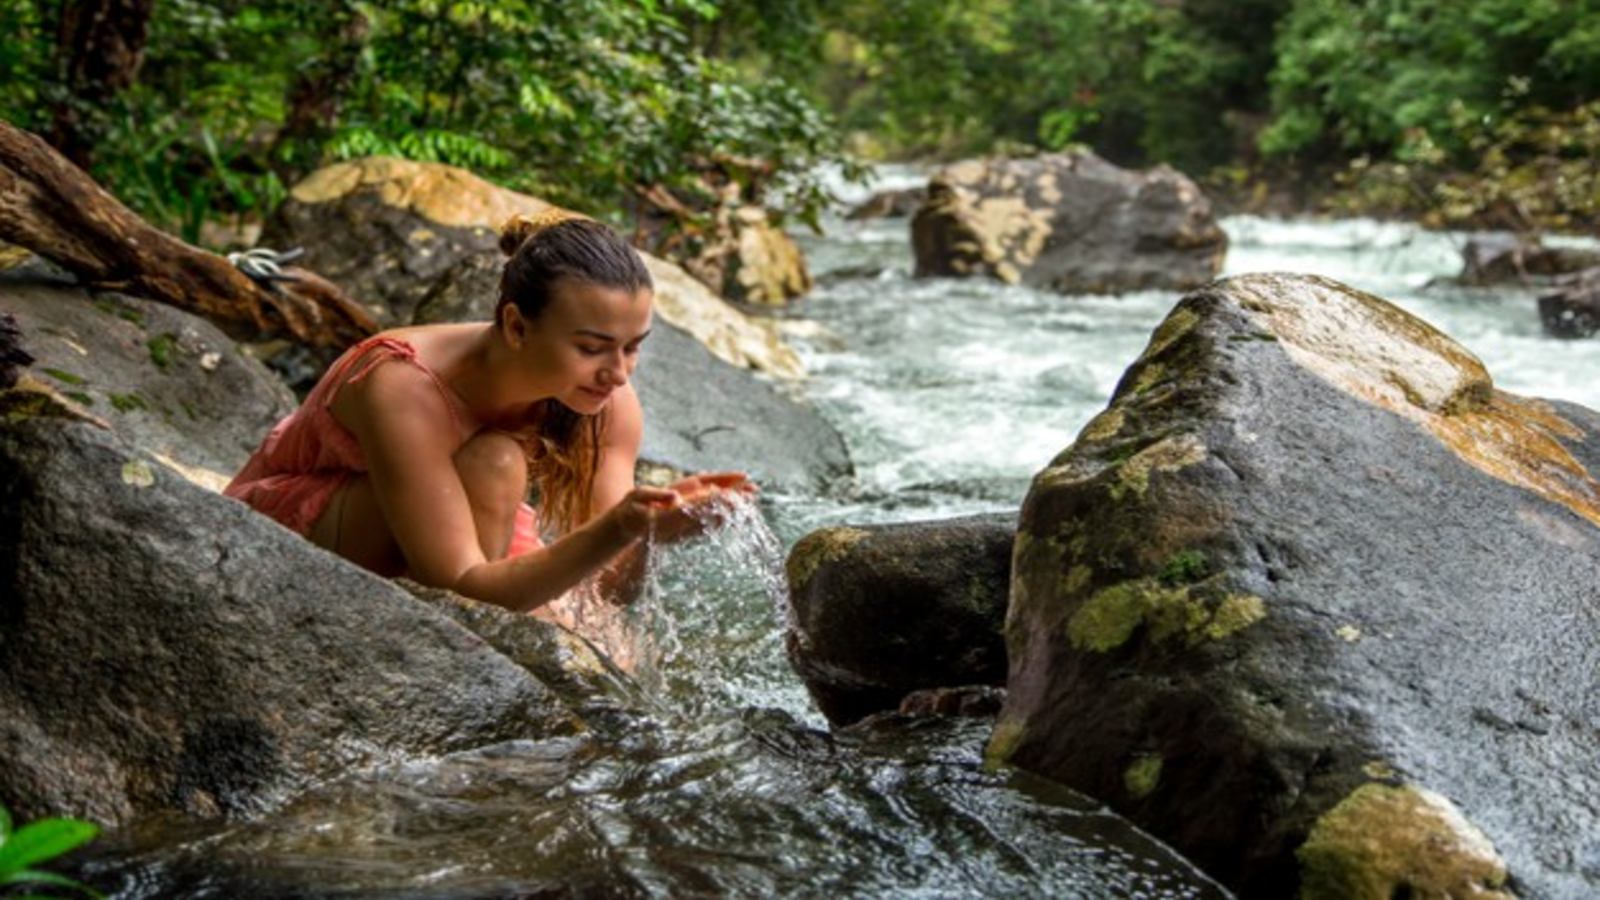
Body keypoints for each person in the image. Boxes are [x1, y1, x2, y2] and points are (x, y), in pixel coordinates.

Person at [225, 208, 750, 616]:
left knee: (609, 647)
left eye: (634, 346)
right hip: (279, 537)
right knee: (496, 462)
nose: (619, 372)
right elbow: (462, 588)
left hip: (455, 532)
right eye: (592, 348)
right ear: (517, 327)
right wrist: (618, 528)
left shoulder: (608, 404)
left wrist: (647, 532)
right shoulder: (404, 387)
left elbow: (604, 592)